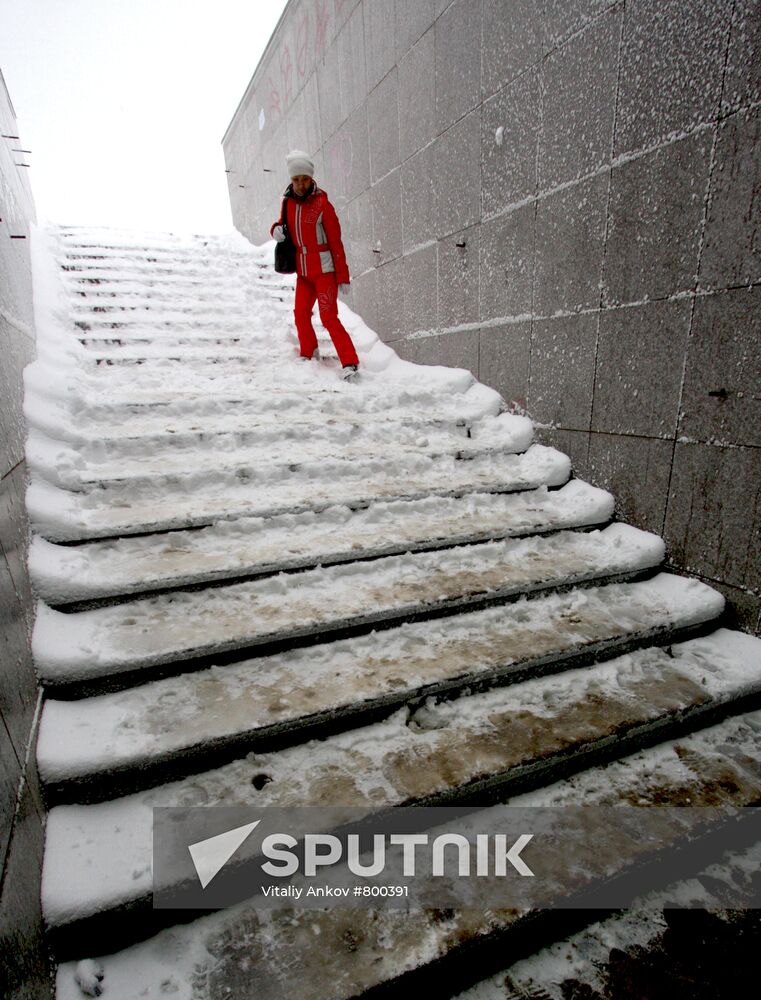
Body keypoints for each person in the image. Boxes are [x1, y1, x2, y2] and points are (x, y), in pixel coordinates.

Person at [271, 150, 359, 381]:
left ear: (311, 178)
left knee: (329, 317)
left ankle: (350, 362)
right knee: (300, 314)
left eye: (304, 179)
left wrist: (343, 276)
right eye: (296, 179)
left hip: (325, 272)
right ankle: (308, 352)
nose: (300, 184)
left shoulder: (323, 205)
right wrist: (275, 230)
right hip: (303, 273)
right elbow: (282, 225)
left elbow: (336, 243)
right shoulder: (287, 203)